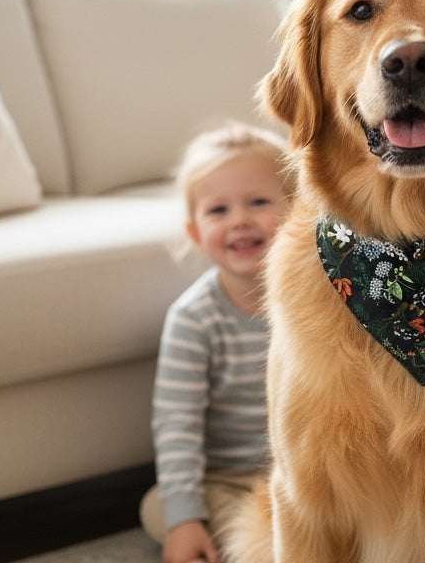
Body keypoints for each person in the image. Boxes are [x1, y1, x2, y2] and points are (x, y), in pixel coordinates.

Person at [139, 123, 293, 563]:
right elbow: (176, 424)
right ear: (194, 233)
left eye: (259, 202)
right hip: (228, 479)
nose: (240, 220)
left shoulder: (321, 301)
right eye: (218, 210)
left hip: (308, 469)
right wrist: (185, 519)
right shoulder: (194, 319)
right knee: (163, 507)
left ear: (298, 208)